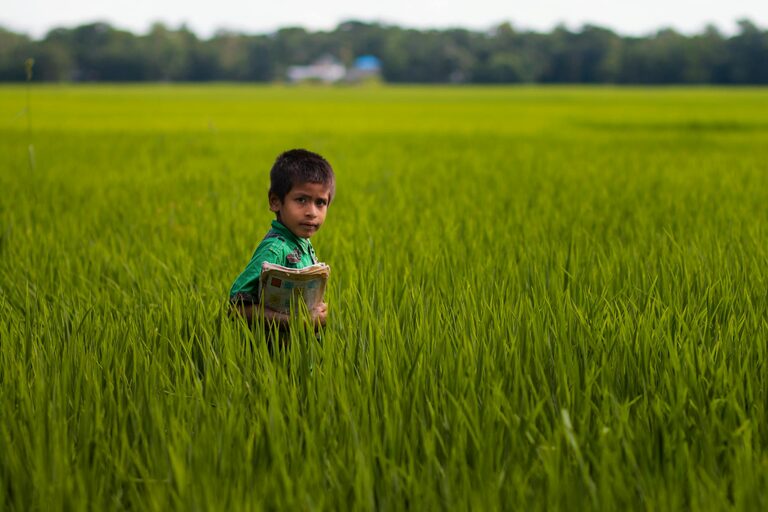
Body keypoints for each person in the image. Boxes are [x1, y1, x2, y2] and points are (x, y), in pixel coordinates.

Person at [229, 149, 334, 330]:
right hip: (270, 346)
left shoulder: (301, 241)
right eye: (301, 200)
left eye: (320, 202)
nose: (312, 212)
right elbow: (236, 309)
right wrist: (299, 322)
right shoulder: (275, 250)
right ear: (275, 202)